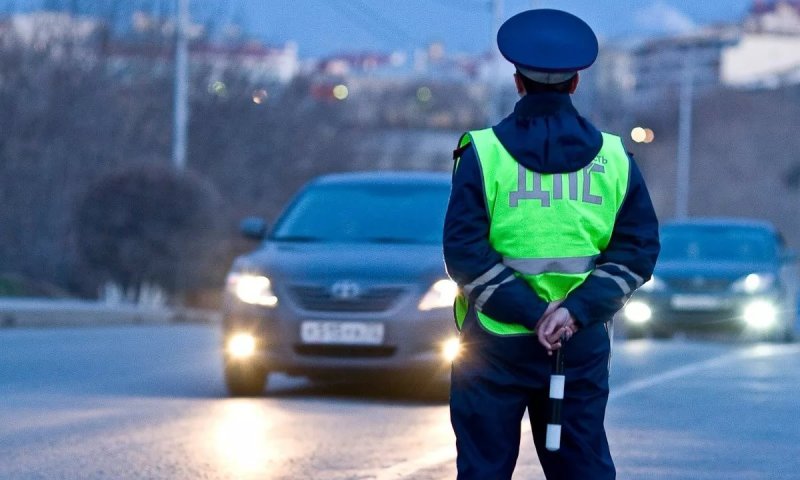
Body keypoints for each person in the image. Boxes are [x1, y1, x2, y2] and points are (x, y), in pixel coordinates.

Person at [443, 9, 660, 480]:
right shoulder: (615, 158)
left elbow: (463, 252)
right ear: (576, 83)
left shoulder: (482, 153)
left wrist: (529, 311)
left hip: (492, 348)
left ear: (518, 82)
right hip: (576, 346)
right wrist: (572, 312)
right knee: (582, 471)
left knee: (482, 471)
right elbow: (637, 251)